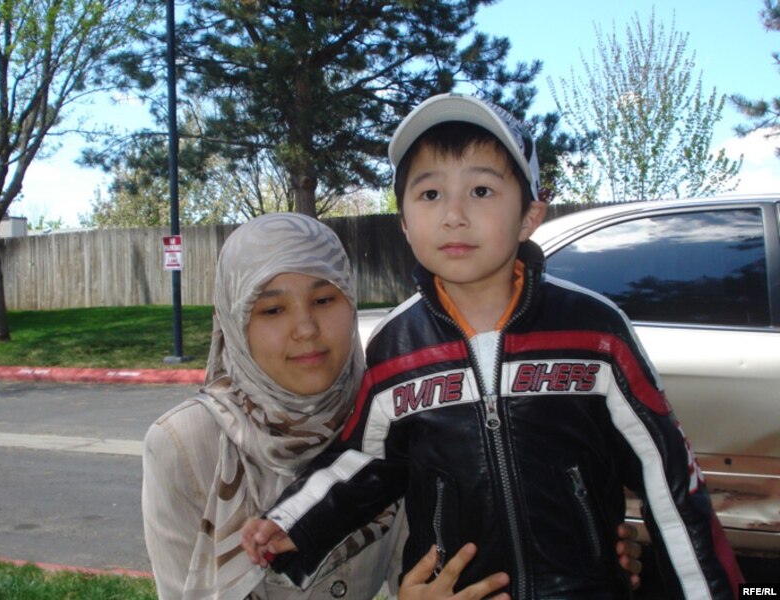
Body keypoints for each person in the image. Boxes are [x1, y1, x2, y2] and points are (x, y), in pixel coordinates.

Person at [241, 94, 745, 599]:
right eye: (430, 194)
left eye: (481, 190)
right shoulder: (397, 346)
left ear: (529, 215)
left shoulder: (594, 332)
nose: (454, 215)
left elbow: (669, 479)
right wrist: (293, 521)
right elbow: (364, 459)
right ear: (404, 223)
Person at [142, 212, 643, 599]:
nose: (306, 329)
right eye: (272, 309)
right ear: (234, 325)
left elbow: (444, 564)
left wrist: (597, 547)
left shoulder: (395, 414)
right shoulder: (185, 445)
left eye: (324, 300)